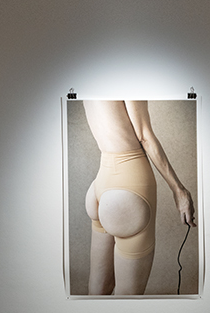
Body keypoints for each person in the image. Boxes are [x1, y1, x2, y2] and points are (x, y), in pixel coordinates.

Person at [83, 100, 195, 295]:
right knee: (128, 300)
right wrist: (179, 190)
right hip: (129, 185)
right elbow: (144, 136)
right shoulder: (130, 82)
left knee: (98, 288)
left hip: (100, 183)